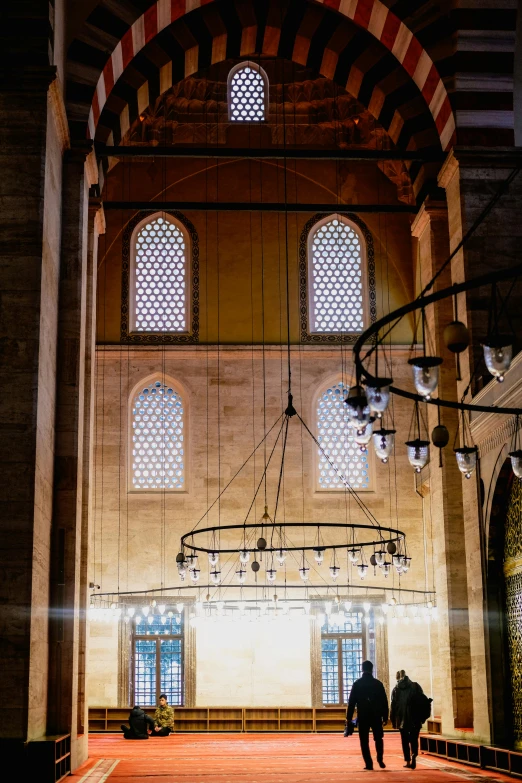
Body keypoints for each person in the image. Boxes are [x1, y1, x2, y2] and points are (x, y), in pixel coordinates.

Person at [346, 660, 389, 770]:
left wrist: (349, 718)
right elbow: (384, 702)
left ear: (362, 669)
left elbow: (351, 703)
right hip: (376, 715)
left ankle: (369, 764)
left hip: (363, 716)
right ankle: (380, 758)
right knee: (378, 738)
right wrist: (385, 716)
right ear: (372, 669)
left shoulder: (357, 684)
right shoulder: (378, 684)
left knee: (364, 740)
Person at [390, 669, 426, 769]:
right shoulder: (416, 686)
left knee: (405, 740)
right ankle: (414, 754)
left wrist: (392, 720)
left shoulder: (396, 689)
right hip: (415, 718)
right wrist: (422, 717)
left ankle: (408, 761)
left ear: (397, 678)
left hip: (402, 719)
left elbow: (393, 706)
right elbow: (422, 701)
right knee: (414, 739)